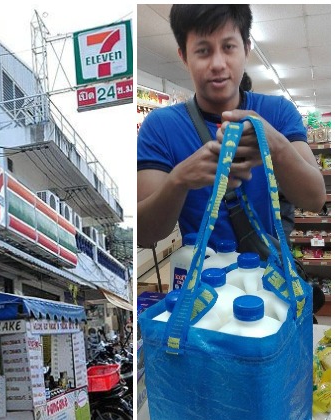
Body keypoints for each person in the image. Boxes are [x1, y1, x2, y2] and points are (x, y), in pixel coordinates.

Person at [137, 5, 326, 248]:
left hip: (266, 278)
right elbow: (144, 236)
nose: (217, 63)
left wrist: (276, 147)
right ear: (184, 56)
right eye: (203, 50)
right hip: (200, 280)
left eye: (228, 47)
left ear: (246, 49)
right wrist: (179, 180)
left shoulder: (278, 112)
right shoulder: (160, 126)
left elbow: (314, 199)